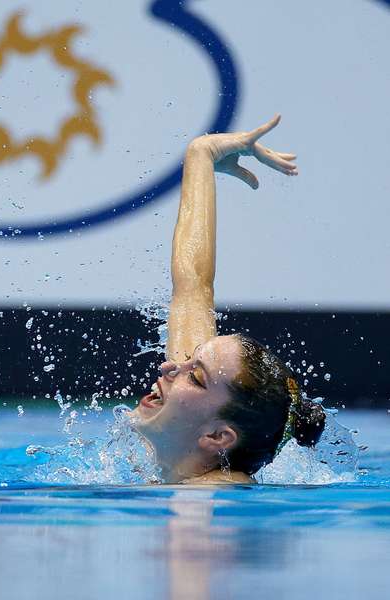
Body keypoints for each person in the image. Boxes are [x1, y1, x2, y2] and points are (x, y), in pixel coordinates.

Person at [130, 115, 326, 484]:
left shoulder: (209, 495)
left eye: (196, 375)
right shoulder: (189, 443)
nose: (170, 368)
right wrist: (201, 155)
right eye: (189, 360)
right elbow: (193, 285)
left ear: (218, 438)